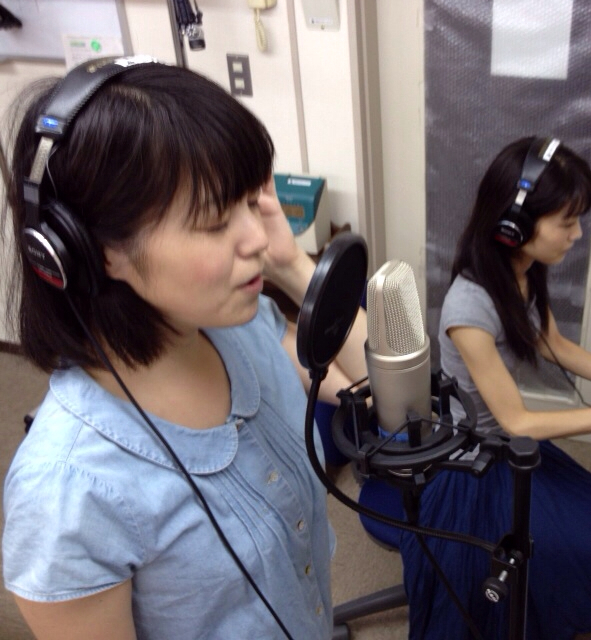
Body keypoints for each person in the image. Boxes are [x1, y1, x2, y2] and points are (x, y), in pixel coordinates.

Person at [2, 59, 367, 639]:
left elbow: (385, 391)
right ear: (94, 251)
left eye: (250, 202)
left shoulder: (236, 325)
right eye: (216, 221)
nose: (256, 236)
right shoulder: (66, 494)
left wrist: (295, 267)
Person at [400, 137, 591, 640]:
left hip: (513, 453)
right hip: (479, 472)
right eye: (566, 222)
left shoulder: (523, 271)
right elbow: (517, 421)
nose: (577, 234)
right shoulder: (468, 309)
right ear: (515, 224)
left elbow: (553, 343)